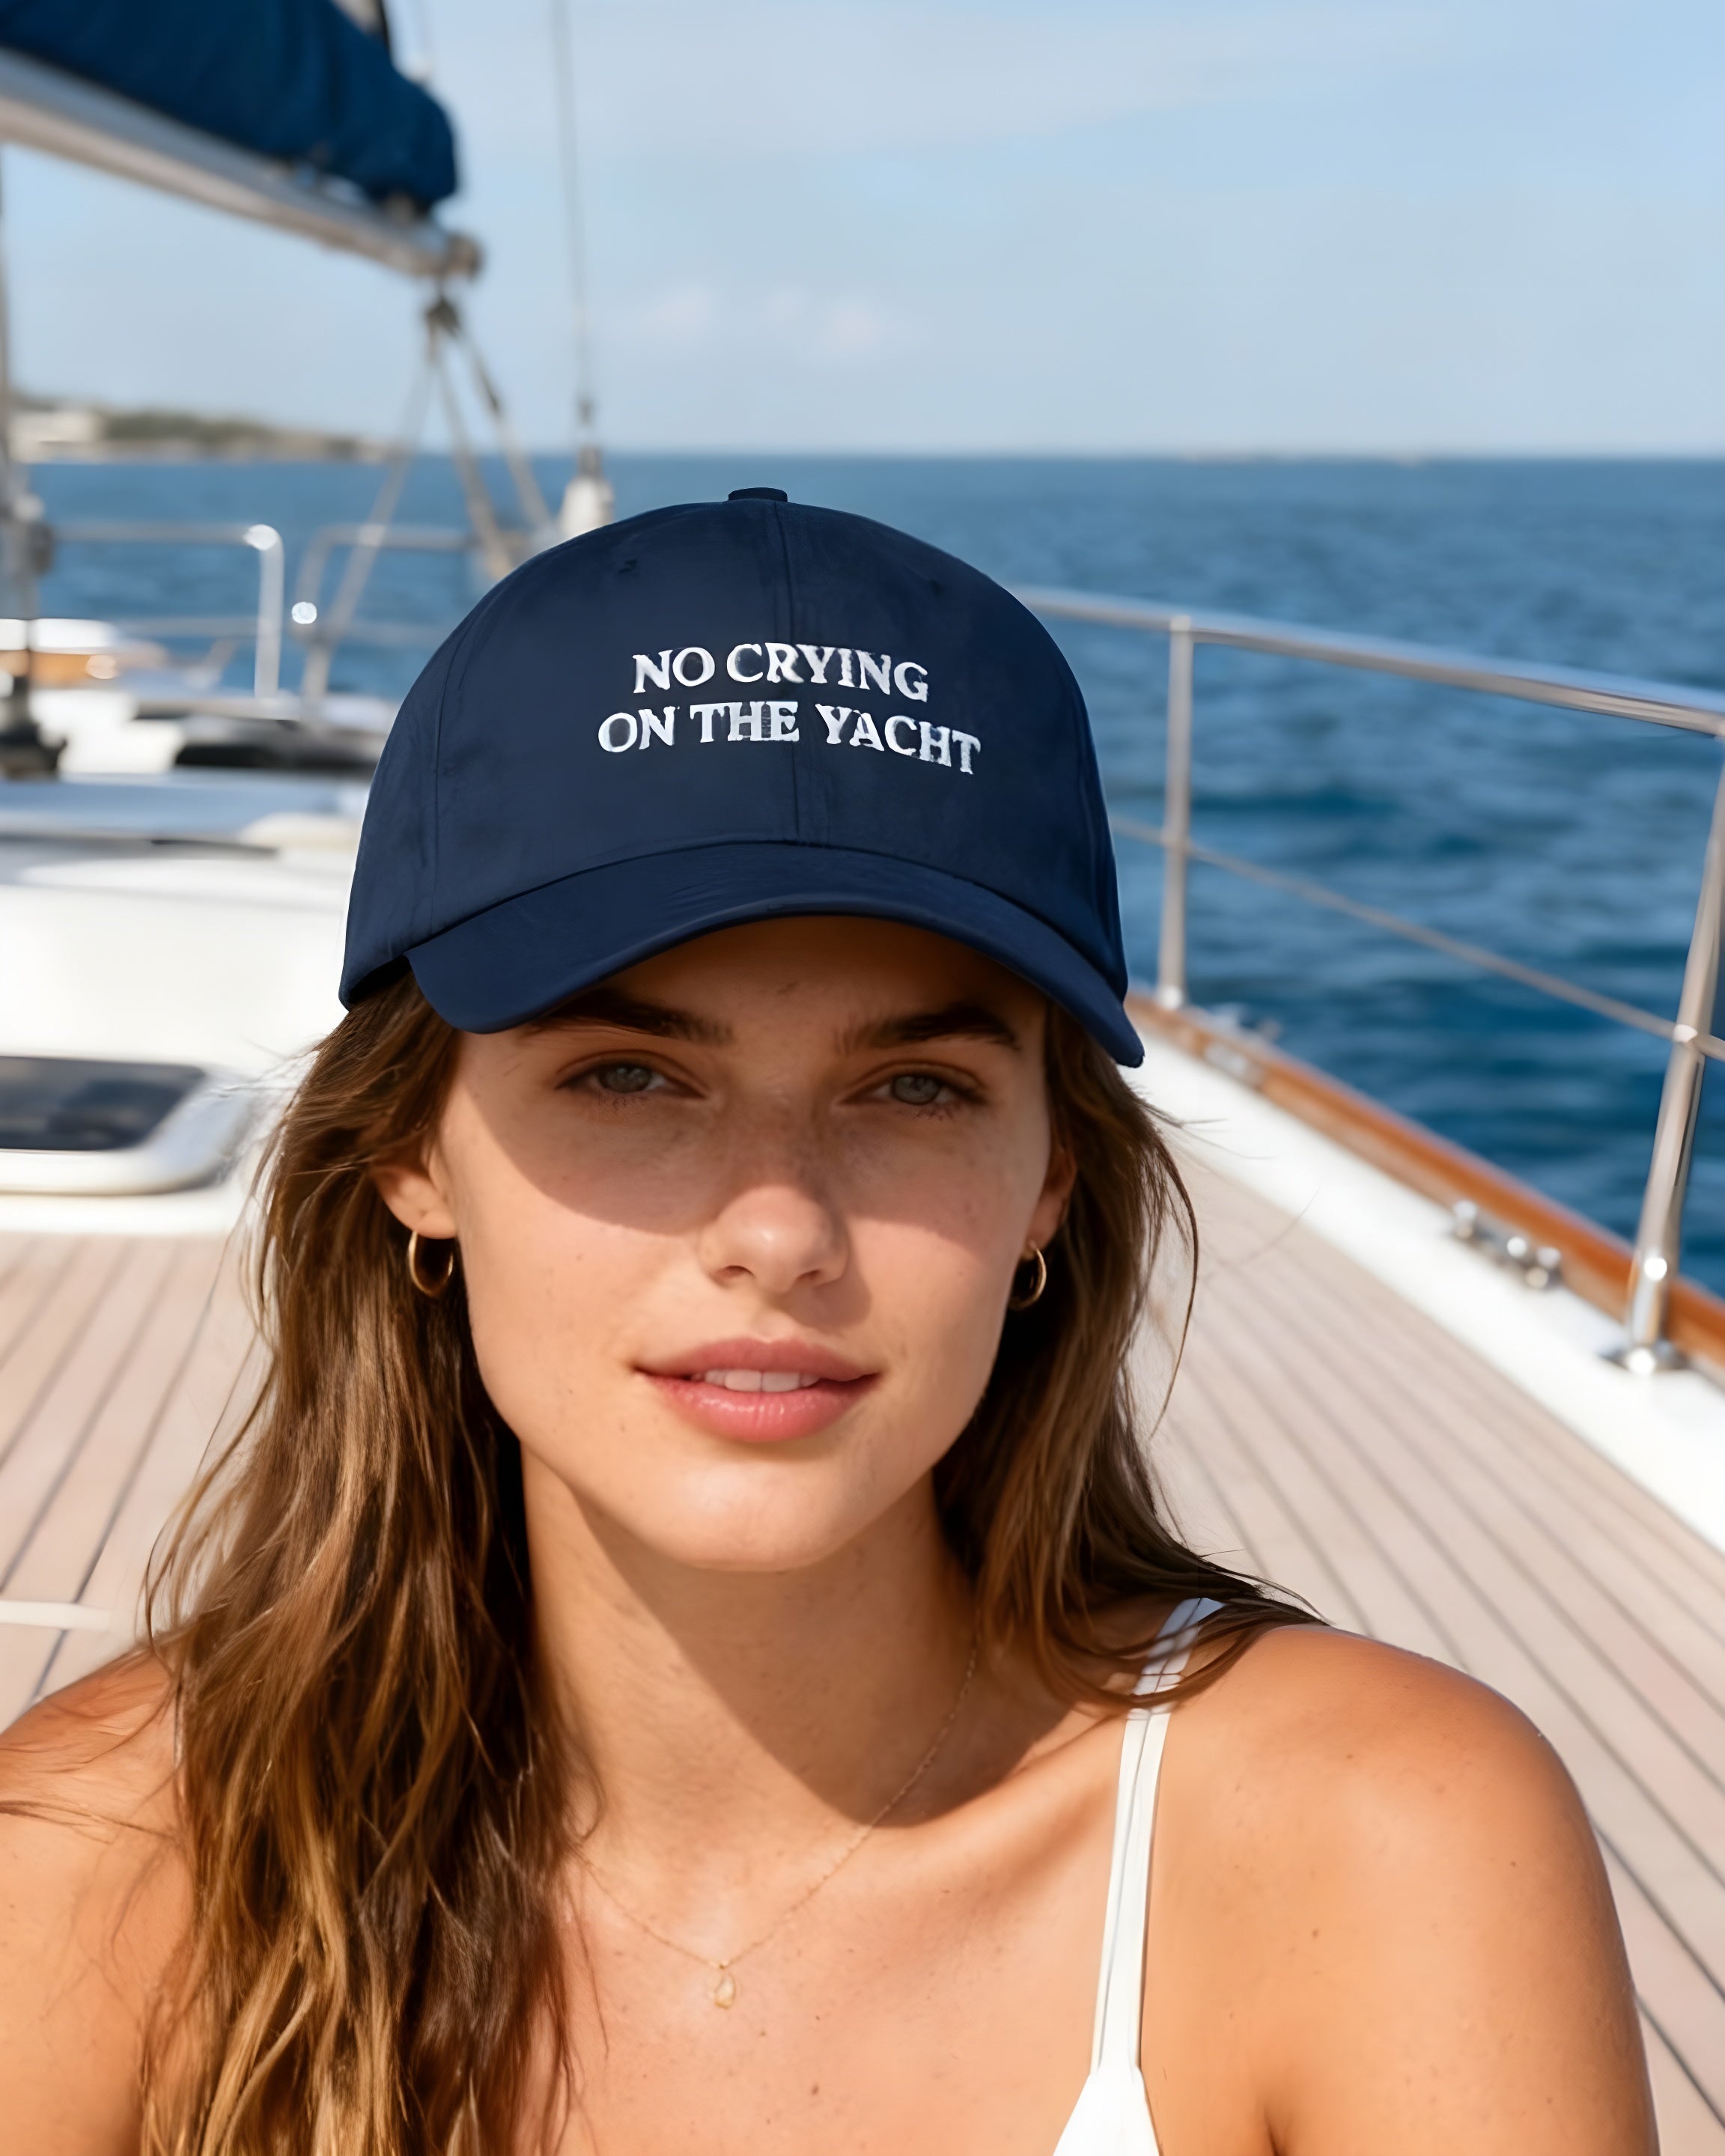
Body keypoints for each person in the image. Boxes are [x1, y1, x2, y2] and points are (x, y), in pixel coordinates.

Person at [0, 490, 1651, 2155]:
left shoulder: (1383, 1851)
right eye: (628, 1077)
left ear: (1050, 1187)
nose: (779, 1228)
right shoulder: (90, 1864)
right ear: (414, 1154)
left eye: (914, 1087)